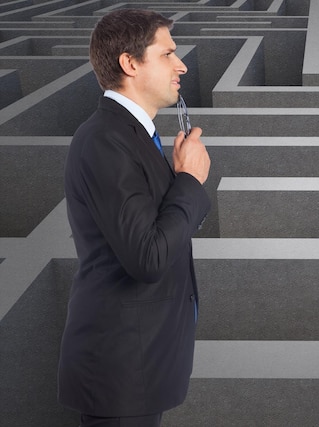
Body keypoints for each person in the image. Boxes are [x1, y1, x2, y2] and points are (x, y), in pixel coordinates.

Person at [58, 9, 211, 427]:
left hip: (139, 364)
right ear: (130, 63)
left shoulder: (130, 135)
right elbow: (147, 257)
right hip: (122, 370)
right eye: (167, 54)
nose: (181, 64)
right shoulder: (106, 140)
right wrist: (190, 182)